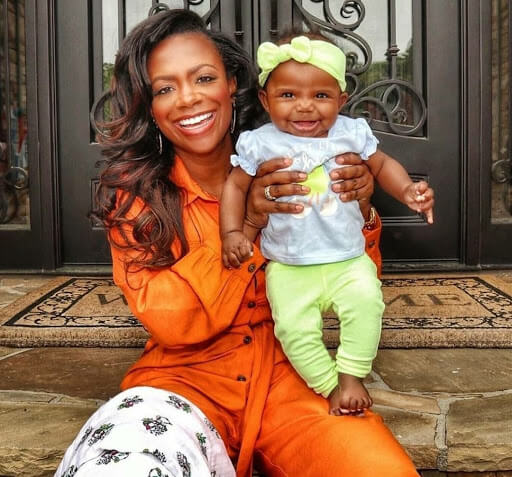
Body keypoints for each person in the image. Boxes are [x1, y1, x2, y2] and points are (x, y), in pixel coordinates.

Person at [55, 9, 421, 477]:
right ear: (150, 106)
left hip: (292, 379)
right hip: (183, 384)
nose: (188, 98)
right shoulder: (135, 199)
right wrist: (246, 224)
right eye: (165, 88)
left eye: (204, 78)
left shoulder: (300, 158)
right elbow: (173, 323)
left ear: (231, 84)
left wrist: (360, 207)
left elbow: (352, 280)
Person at [220, 32, 434, 416]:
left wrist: (407, 190)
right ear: (266, 100)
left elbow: (382, 165)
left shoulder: (350, 133)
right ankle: (329, 384)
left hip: (347, 258)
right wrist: (232, 232)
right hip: (288, 264)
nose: (305, 107)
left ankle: (351, 375)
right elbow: (235, 187)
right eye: (288, 95)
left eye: (320, 95)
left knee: (367, 304)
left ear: (341, 99)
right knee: (293, 329)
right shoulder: (260, 143)